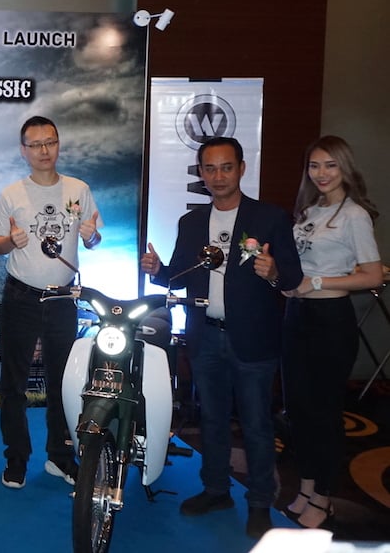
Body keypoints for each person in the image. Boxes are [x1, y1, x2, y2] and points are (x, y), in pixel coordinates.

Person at [141, 135, 302, 540]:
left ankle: (261, 502)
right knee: (211, 419)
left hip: (253, 339)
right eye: (209, 169)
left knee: (256, 424)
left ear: (241, 169)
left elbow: (293, 277)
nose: (218, 176)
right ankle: (216, 490)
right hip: (206, 336)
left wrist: (274, 273)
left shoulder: (269, 218)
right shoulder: (191, 223)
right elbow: (180, 274)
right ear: (201, 173)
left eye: (226, 167)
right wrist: (158, 271)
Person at [0, 116, 102, 490]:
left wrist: (92, 236)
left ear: (58, 145)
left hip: (62, 297)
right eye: (35, 144)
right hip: (20, 295)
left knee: (63, 382)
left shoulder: (78, 189)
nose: (43, 150)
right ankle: (17, 458)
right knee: (13, 384)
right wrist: (11, 241)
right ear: (23, 150)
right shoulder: (11, 194)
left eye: (50, 142)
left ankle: (60, 456)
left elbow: (93, 239)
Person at [281, 135, 382, 529]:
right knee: (299, 410)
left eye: (330, 165)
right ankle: (306, 487)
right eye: (314, 165)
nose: (321, 173)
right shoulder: (309, 211)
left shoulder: (354, 214)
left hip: (330, 321)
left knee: (324, 414)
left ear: (345, 167)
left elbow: (372, 275)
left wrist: (317, 283)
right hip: (297, 316)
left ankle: (323, 497)